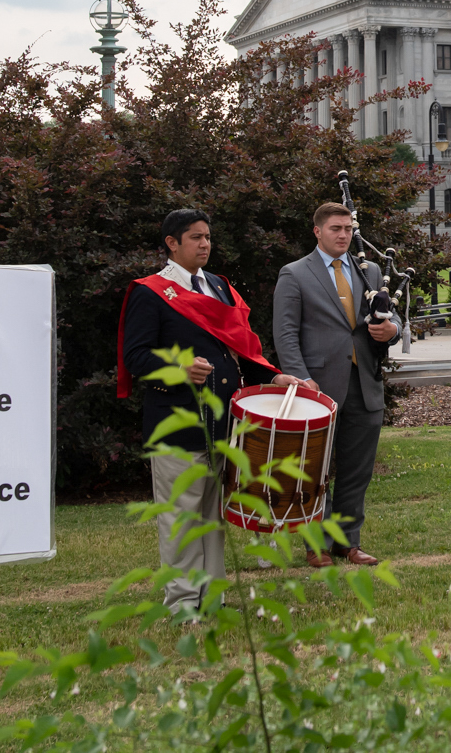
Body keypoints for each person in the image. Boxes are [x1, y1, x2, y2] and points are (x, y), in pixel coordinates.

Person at [119, 210, 308, 606]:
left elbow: (242, 346)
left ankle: (213, 596)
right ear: (172, 243)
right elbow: (135, 357)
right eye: (195, 238)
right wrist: (177, 367)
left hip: (222, 419)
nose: (205, 244)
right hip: (176, 421)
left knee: (211, 517)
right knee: (180, 518)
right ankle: (184, 602)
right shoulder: (150, 291)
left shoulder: (219, 286)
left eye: (207, 237)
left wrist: (275, 376)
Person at [274, 202, 399, 567]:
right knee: (315, 470)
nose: (343, 234)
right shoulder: (295, 274)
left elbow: (387, 325)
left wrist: (390, 332)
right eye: (335, 229)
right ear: (317, 231)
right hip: (318, 387)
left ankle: (348, 542)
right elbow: (285, 334)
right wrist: (302, 379)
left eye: (347, 228)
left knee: (357, 469)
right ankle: (317, 545)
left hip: (364, 383)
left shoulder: (370, 271)